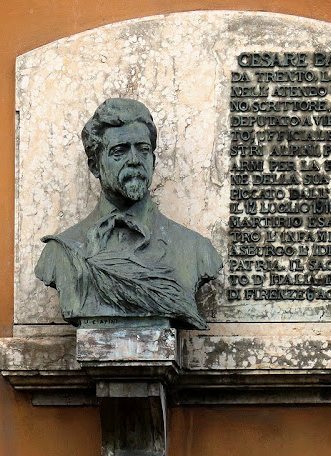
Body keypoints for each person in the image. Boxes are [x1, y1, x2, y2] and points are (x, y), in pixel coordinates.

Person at [35, 98, 222, 330]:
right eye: (119, 152)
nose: (134, 160)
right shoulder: (60, 252)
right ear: (95, 166)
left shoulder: (196, 251)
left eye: (143, 150)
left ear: (153, 161)